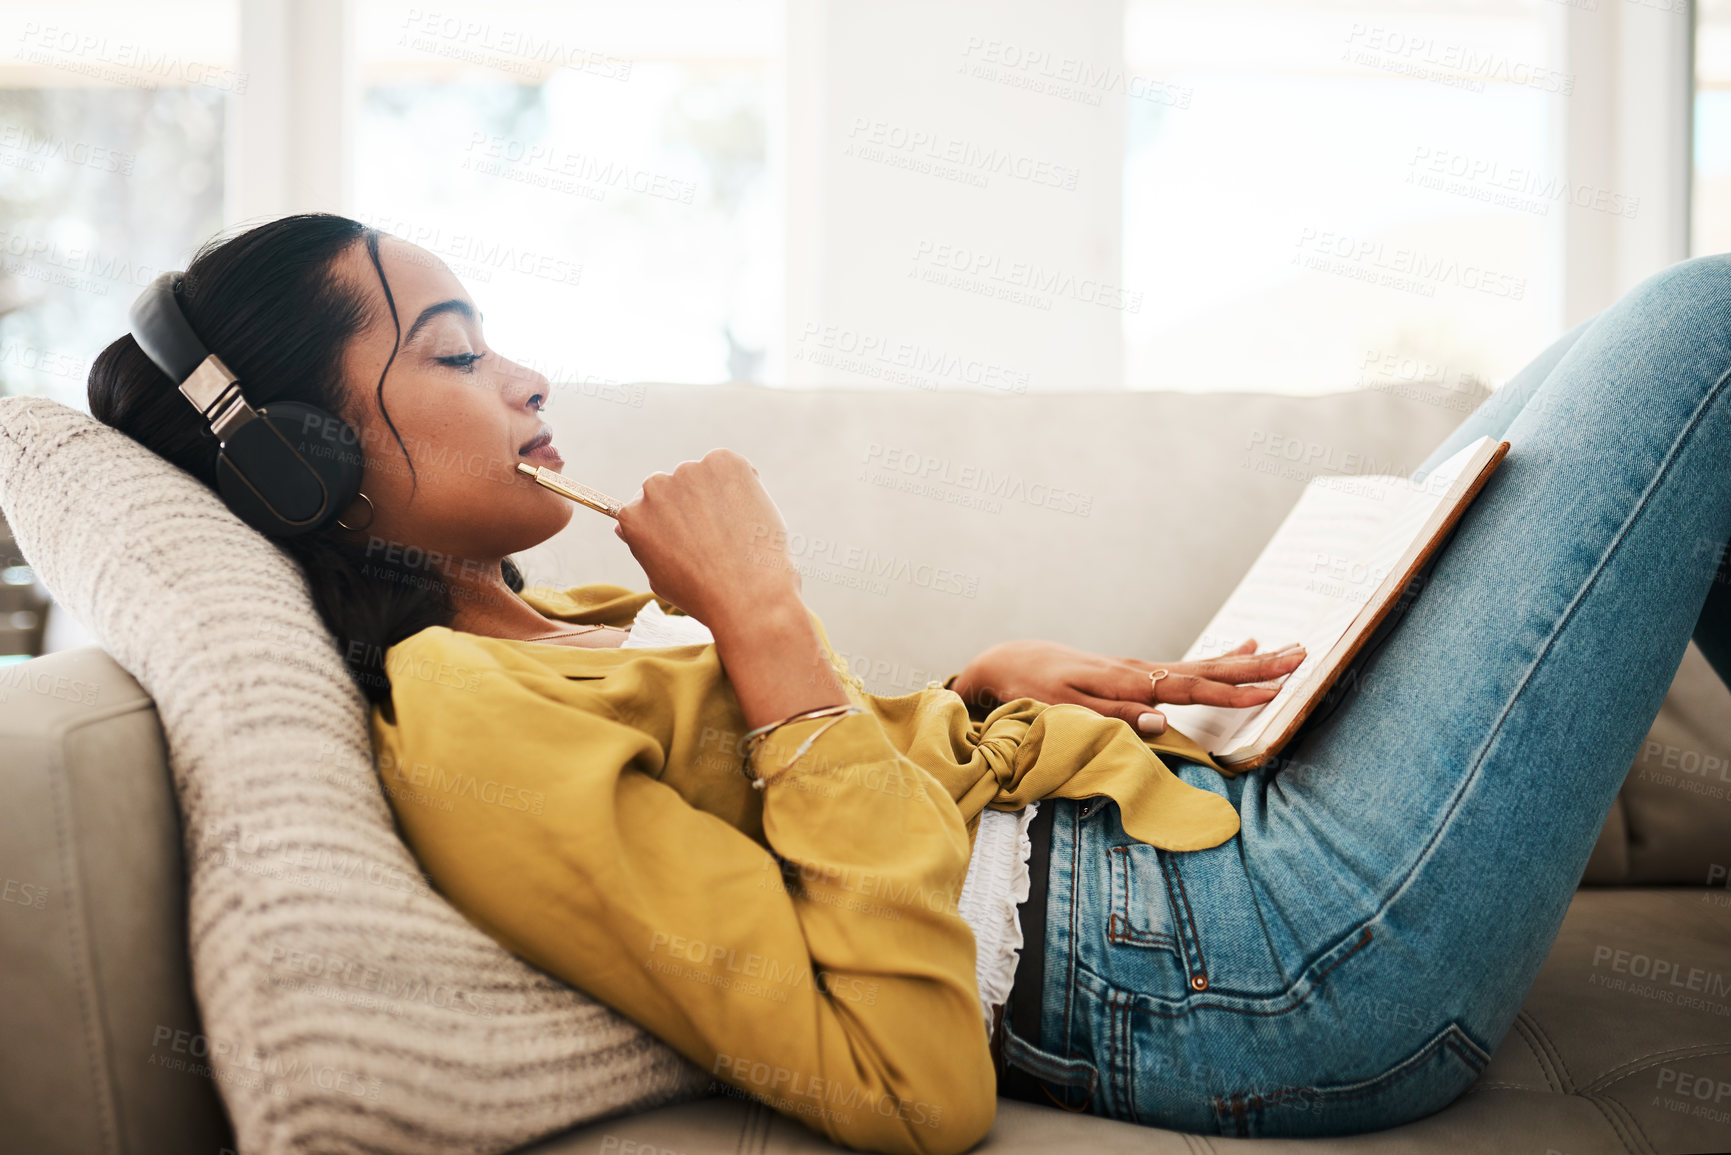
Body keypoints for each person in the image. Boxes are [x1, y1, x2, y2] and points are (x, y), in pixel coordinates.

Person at [88, 213, 1731, 1154]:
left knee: (1549, 403)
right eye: (451, 353)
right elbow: (901, 1077)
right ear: (303, 467)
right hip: (1261, 973)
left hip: (1186, 852)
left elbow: (819, 809)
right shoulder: (470, 737)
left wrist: (971, 695)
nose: (525, 376)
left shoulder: (568, 619)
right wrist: (769, 620)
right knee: (1702, 333)